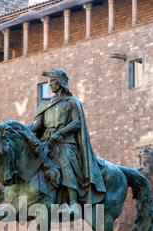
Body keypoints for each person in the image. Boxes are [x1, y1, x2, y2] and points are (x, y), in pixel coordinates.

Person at [28, 68, 106, 210]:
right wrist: (20, 130)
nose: (50, 85)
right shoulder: (45, 103)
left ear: (60, 83)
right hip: (46, 142)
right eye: (49, 82)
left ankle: (73, 201)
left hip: (65, 142)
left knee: (65, 160)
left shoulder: (71, 102)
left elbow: (76, 123)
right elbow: (36, 125)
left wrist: (61, 133)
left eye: (53, 81)